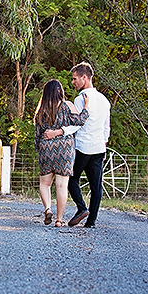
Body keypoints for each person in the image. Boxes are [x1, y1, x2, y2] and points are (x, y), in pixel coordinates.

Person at [43, 62, 111, 228]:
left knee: (71, 179)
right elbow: (106, 126)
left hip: (81, 147)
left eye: (75, 79)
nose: (73, 82)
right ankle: (91, 221)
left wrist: (57, 132)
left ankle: (81, 208)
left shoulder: (80, 99)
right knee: (96, 186)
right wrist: (104, 144)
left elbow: (76, 124)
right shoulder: (104, 100)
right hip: (98, 148)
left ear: (84, 78)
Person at [34, 79, 88, 227]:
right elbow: (80, 121)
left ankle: (48, 209)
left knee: (45, 183)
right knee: (62, 185)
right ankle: (59, 220)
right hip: (64, 149)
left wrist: (39, 149)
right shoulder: (67, 105)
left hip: (46, 148)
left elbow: (37, 134)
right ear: (60, 91)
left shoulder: (41, 110)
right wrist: (86, 106)